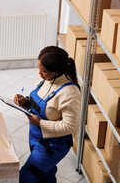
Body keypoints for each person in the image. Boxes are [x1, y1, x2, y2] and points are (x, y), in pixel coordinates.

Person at [14, 46, 81, 183]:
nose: (39, 73)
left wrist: (40, 123)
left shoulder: (70, 93)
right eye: (39, 68)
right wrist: (25, 101)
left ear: (56, 71)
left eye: (44, 71)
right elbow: (41, 100)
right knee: (45, 176)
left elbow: (71, 126)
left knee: (24, 178)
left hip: (52, 146)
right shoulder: (44, 79)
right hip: (35, 137)